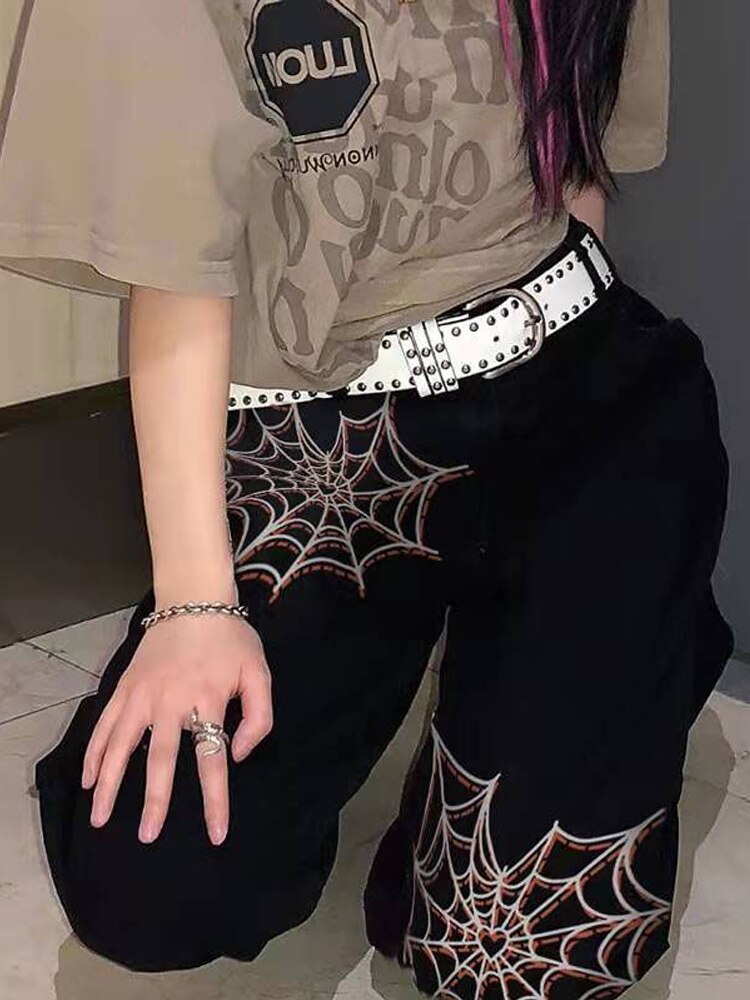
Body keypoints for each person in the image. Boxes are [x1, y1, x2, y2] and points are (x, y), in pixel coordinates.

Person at [0, 0, 735, 996]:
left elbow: (573, 153)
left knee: (515, 950)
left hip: (583, 394)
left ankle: (601, 660)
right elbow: (170, 261)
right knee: (157, 883)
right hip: (327, 440)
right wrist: (195, 604)